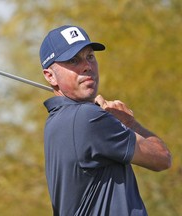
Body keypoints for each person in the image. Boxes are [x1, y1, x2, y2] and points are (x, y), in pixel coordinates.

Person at [39, 25, 172, 216]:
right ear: (50, 76)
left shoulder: (56, 121)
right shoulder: (88, 118)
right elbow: (162, 158)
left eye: (90, 56)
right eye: (73, 60)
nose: (87, 66)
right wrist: (129, 123)